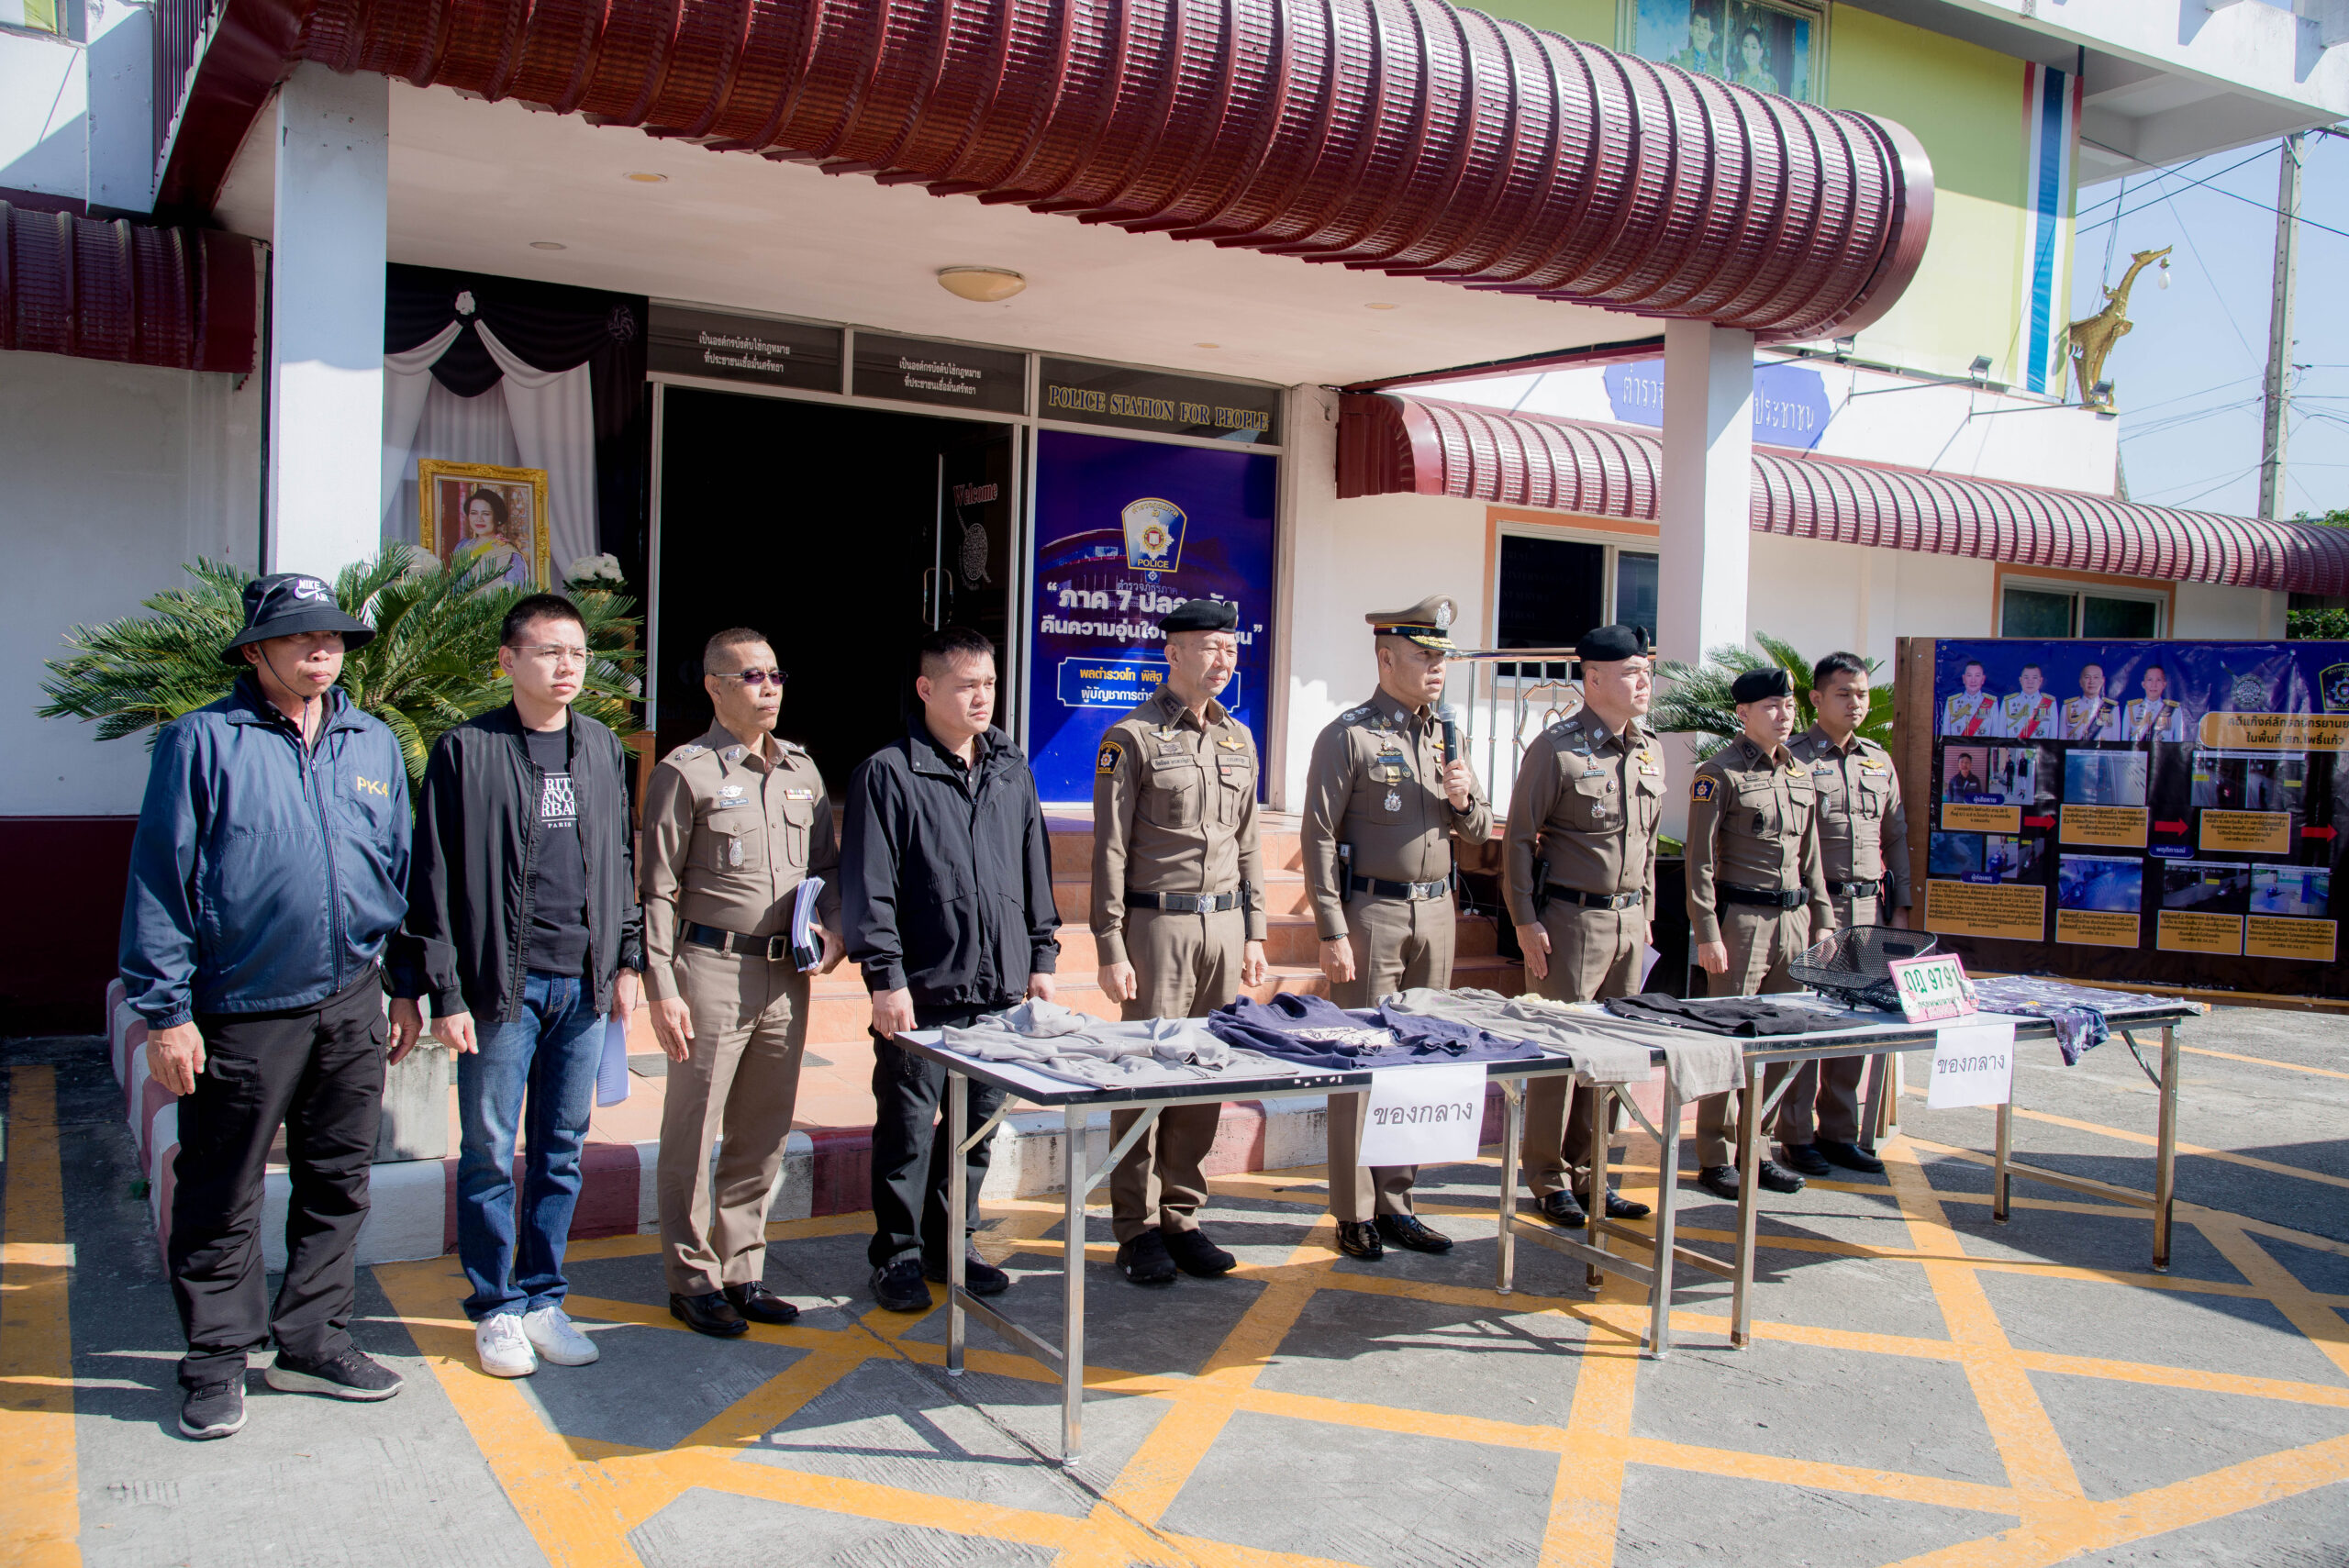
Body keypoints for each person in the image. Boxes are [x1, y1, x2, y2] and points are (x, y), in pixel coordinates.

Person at [120, 573, 412, 1440]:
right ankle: (216, 1358)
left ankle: (313, 1341)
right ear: (255, 652)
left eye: (334, 638)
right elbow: (161, 881)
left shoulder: (372, 741)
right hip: (244, 1006)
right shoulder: (202, 740)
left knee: (338, 1180)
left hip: (352, 999)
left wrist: (402, 984)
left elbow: (396, 867)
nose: (322, 652)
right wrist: (166, 1012)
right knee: (222, 1186)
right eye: (300, 638)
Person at [389, 594, 645, 1373]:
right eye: (548, 651)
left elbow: (621, 857)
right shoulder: (466, 750)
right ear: (508, 660)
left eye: (577, 652)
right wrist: (443, 992)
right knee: (490, 1153)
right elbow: (431, 877)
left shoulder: (601, 746)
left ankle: (543, 1296)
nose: (567, 666)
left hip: (583, 986)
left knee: (562, 1150)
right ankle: (495, 1306)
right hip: (502, 987)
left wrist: (627, 958)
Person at [844, 627, 1061, 1312]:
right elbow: (870, 888)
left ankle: (952, 1243)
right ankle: (898, 1255)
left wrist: (1041, 957)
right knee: (908, 1131)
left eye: (989, 683)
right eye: (967, 684)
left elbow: (1033, 869)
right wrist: (885, 979)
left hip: (999, 988)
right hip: (922, 991)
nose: (982, 697)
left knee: (976, 1131)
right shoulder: (888, 773)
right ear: (926, 688)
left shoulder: (1010, 769)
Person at [1300, 595, 1492, 1260]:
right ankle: (1354, 1209)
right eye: (1424, 656)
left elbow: (1478, 831)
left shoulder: (1447, 735)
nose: (1438, 668)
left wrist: (1464, 797)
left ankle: (1397, 1200)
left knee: (1420, 1060)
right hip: (1372, 914)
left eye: (1443, 658)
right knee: (1361, 1059)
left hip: (1437, 913)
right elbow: (1318, 836)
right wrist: (1331, 929)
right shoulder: (1348, 735)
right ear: (1386, 658)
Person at [1092, 599, 1268, 1285]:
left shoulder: (1239, 739)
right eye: (1209, 647)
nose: (1223, 659)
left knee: (1204, 1073)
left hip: (1223, 927)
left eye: (1230, 648)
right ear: (1172, 653)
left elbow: (1249, 844)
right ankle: (1135, 1226)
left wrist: (1255, 931)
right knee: (1146, 1072)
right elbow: (1109, 849)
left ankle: (1183, 1214)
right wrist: (1110, 943)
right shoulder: (1131, 737)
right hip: (1156, 926)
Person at [1503, 625, 1663, 1229]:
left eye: (1646, 670)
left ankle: (1593, 1171)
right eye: (1630, 672)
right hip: (1570, 922)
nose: (1643, 681)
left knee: (1615, 1054)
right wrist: (1525, 921)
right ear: (1592, 678)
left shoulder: (1648, 748)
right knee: (1559, 1051)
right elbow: (1519, 840)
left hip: (1629, 923)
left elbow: (1648, 844)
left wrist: (1646, 914)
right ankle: (1547, 1177)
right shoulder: (1557, 748)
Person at [1684, 666, 1833, 1202]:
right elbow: (1699, 861)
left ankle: (1758, 1149)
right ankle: (1715, 1155)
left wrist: (1824, 920)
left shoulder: (1801, 773)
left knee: (1778, 1039)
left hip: (1793, 921)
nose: (1783, 714)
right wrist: (1707, 931)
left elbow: (1812, 858)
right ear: (1743, 713)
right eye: (1771, 706)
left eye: (1788, 705)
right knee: (1729, 1039)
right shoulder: (1718, 773)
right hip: (1742, 922)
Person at [1779, 653, 1909, 1179]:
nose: (1856, 703)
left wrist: (1901, 909)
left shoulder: (1878, 760)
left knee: (1854, 1023)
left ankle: (1838, 1133)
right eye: (1844, 694)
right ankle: (1795, 1136)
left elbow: (1895, 836)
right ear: (1816, 699)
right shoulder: (1793, 757)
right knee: (1806, 1023)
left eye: (1862, 694)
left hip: (1867, 906)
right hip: (1816, 907)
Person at [453, 487, 532, 588]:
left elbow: (517, 593)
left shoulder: (510, 554)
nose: (479, 519)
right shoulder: (462, 546)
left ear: (497, 517)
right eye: (473, 513)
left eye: (486, 514)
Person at [2127, 664, 2187, 742]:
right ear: (2143, 684)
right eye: (2150, 680)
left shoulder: (2174, 710)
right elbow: (2124, 740)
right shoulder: (2132, 708)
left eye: (2158, 680)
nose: (2154, 685)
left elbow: (2179, 741)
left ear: (2164, 684)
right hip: (2137, 749)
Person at [1941, 661, 1998, 738]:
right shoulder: (1952, 702)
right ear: (1964, 679)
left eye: (1977, 676)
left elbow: (1995, 734)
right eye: (1969, 675)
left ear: (1983, 679)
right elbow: (1945, 734)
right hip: (1957, 745)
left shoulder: (1992, 703)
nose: (1973, 680)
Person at [2064, 663, 2121, 740]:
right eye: (2087, 677)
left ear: (2102, 681)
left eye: (2096, 677)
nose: (2091, 681)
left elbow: (2116, 740)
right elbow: (2061, 739)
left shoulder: (2112, 708)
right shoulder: (2067, 707)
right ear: (2080, 681)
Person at [2001, 664, 2056, 742]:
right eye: (2026, 678)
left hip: (2039, 749)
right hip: (2013, 748)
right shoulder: (2008, 702)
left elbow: (2053, 735)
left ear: (2040, 680)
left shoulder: (2050, 703)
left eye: (2034, 678)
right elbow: (2001, 733)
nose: (2030, 682)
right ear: (2020, 680)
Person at [1664, 1, 1720, 72]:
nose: (1701, 32)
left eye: (1705, 27)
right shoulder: (1678, 61)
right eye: (1697, 25)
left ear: (1711, 36)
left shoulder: (1718, 70)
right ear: (1691, 30)